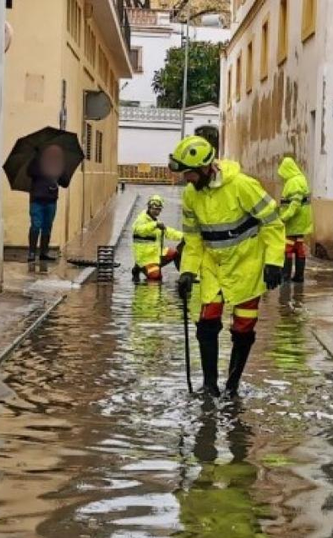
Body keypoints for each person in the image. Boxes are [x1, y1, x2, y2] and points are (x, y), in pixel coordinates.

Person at [171, 136, 286, 398]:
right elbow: (193, 238)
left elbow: (272, 222)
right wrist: (188, 270)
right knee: (206, 324)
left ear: (205, 168)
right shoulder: (191, 195)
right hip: (213, 266)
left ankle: (232, 387)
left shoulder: (243, 186)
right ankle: (210, 385)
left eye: (188, 173)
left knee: (244, 327)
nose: (186, 180)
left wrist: (273, 262)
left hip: (246, 266)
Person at [131, 195, 184, 282]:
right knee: (156, 278)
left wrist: (183, 236)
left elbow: (168, 232)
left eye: (158, 209)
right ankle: (139, 268)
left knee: (175, 253)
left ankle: (183, 276)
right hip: (145, 259)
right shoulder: (141, 219)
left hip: (156, 254)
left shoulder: (154, 221)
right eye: (154, 209)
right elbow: (139, 230)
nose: (156, 211)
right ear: (149, 207)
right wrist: (154, 225)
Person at [277, 156, 314, 283]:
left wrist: (284, 217)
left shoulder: (293, 182)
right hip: (301, 222)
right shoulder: (301, 179)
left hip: (294, 222)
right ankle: (299, 276)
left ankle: (285, 276)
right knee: (299, 247)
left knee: (288, 247)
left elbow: (295, 204)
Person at [27, 143, 65, 262]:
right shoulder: (36, 163)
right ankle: (32, 252)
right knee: (36, 226)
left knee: (47, 227)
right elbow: (29, 172)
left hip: (51, 200)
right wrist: (37, 158)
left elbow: (65, 182)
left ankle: (44, 252)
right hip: (37, 200)